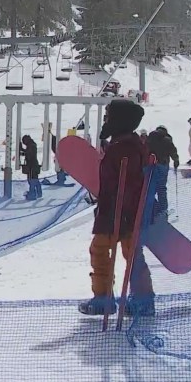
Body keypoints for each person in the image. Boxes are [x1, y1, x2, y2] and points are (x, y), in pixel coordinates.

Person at [79, 99, 155, 316]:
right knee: (131, 255)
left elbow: (127, 182)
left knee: (104, 252)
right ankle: (141, 298)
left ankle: (106, 298)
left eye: (109, 117)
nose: (106, 121)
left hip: (118, 213)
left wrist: (118, 211)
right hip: (124, 212)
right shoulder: (130, 145)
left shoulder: (124, 149)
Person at [146, 126, 180, 217]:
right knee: (161, 187)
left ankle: (149, 209)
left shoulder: (150, 138)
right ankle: (163, 209)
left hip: (151, 164)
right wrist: (176, 161)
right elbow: (173, 151)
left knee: (150, 186)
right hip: (162, 164)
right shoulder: (167, 140)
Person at [20, 135, 42, 200]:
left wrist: (22, 149)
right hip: (33, 165)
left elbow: (29, 153)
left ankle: (32, 193)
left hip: (32, 166)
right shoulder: (31, 145)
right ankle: (38, 193)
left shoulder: (32, 145)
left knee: (32, 180)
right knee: (35, 180)